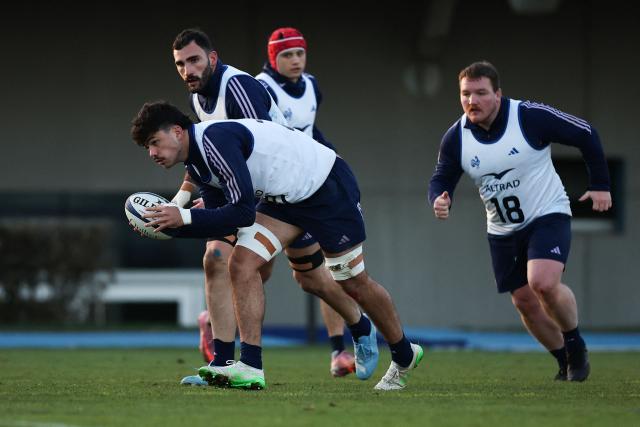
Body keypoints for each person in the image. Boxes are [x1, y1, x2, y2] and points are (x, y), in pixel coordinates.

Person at [130, 101, 424, 390]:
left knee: (352, 282)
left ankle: (404, 353)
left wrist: (182, 216)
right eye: (148, 148)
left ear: (178, 132)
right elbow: (225, 225)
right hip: (284, 201)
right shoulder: (196, 163)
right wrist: (167, 228)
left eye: (155, 142)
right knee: (241, 262)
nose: (153, 153)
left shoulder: (214, 140)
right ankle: (249, 367)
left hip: (326, 187)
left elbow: (243, 213)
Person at [168, 29, 364, 384]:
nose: (187, 69)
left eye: (194, 60)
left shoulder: (243, 88)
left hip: (291, 190)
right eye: (181, 64)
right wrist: (183, 201)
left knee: (312, 278)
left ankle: (353, 334)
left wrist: (333, 168)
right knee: (224, 261)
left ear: (212, 58)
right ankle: (227, 361)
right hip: (257, 192)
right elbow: (209, 155)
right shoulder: (200, 97)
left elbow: (262, 146)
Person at [428, 61, 612, 382]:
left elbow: (586, 134)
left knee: (542, 282)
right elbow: (442, 176)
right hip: (502, 229)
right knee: (524, 301)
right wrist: (440, 198)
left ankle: (575, 344)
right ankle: (563, 361)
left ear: (498, 95)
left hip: (546, 214)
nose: (473, 101)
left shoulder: (528, 117)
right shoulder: (455, 137)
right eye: (466, 94)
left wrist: (600, 184)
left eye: (481, 93)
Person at [255, 27, 354, 376]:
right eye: (286, 55)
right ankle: (220, 324)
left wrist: (334, 163)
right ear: (272, 59)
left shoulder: (311, 86)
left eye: (300, 53)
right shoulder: (259, 89)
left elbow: (310, 132)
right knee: (255, 270)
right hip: (268, 194)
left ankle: (339, 350)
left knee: (326, 273)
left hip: (305, 190)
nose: (295, 60)